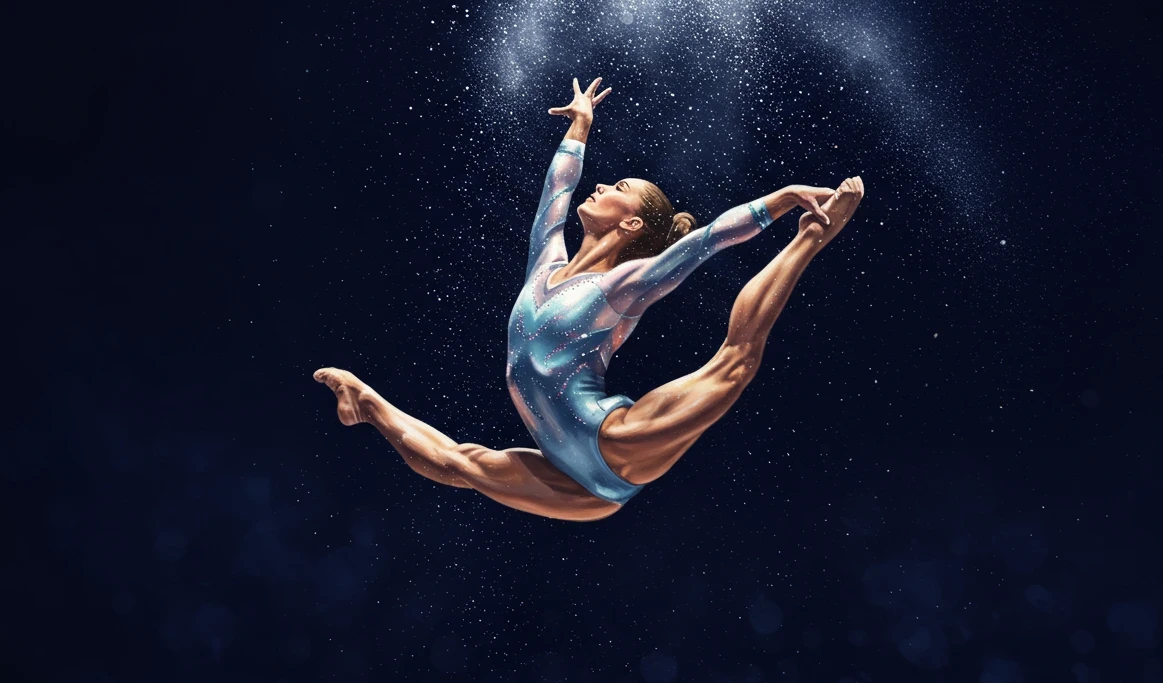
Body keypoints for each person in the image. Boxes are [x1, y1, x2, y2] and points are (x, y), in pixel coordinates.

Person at [315, 77, 865, 521]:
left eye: (619, 189)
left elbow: (705, 242)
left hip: (615, 442)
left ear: (630, 223)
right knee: (461, 464)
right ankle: (368, 403)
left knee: (736, 365)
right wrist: (580, 126)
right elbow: (555, 195)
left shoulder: (621, 288)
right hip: (576, 489)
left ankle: (813, 238)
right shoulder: (547, 262)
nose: (601, 188)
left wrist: (781, 201)